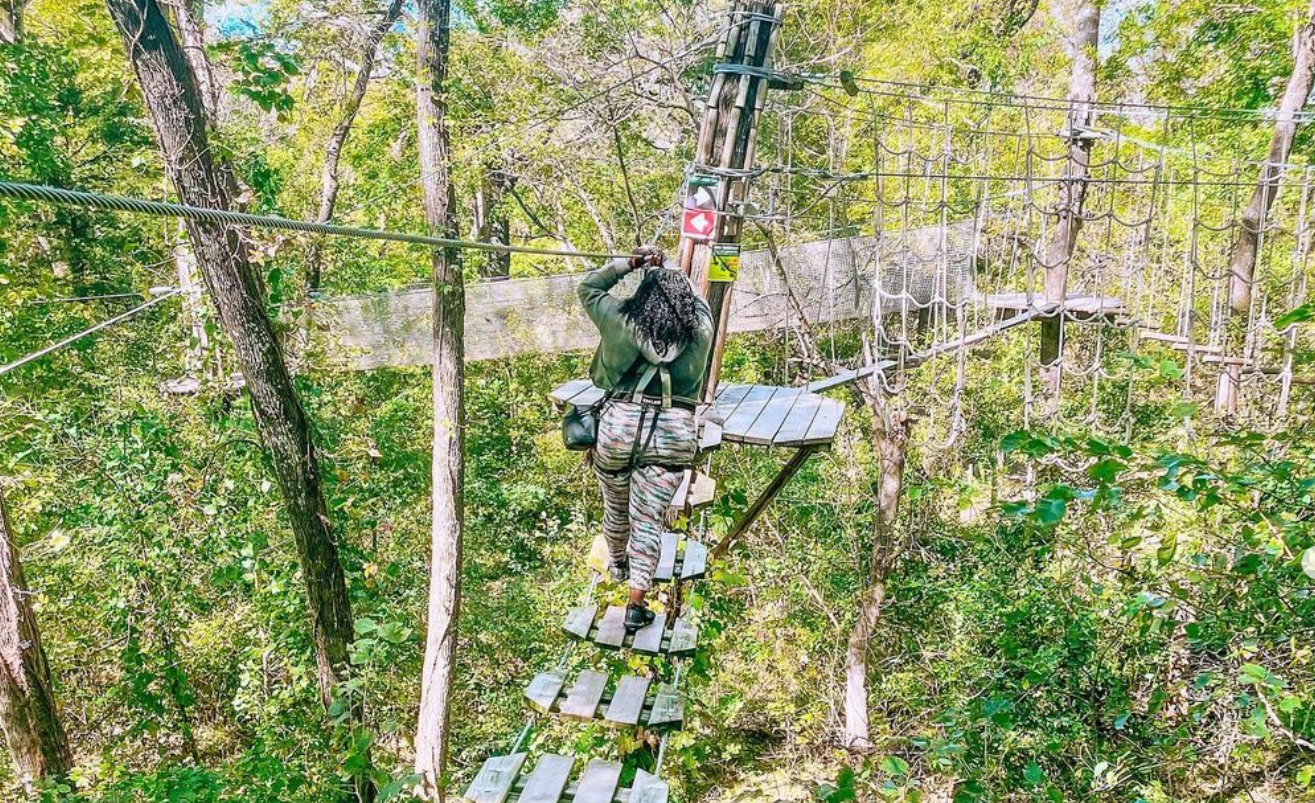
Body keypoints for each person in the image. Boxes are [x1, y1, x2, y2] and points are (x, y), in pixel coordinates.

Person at [578, 244, 714, 632]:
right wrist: (673, 270)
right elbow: (699, 302)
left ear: (643, 297)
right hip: (672, 433)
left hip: (619, 427)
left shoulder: (619, 319)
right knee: (649, 520)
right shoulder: (700, 332)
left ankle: (618, 562)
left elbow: (589, 287)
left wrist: (634, 263)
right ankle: (636, 605)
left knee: (616, 505)